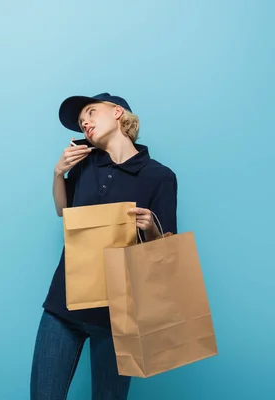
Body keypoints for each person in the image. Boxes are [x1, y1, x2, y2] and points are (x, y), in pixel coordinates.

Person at [30, 93, 178, 399]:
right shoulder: (84, 165)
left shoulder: (160, 177)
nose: (84, 121)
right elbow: (63, 211)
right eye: (81, 119)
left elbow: (166, 252)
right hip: (63, 305)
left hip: (119, 316)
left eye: (91, 112)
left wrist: (151, 227)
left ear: (118, 113)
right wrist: (59, 173)